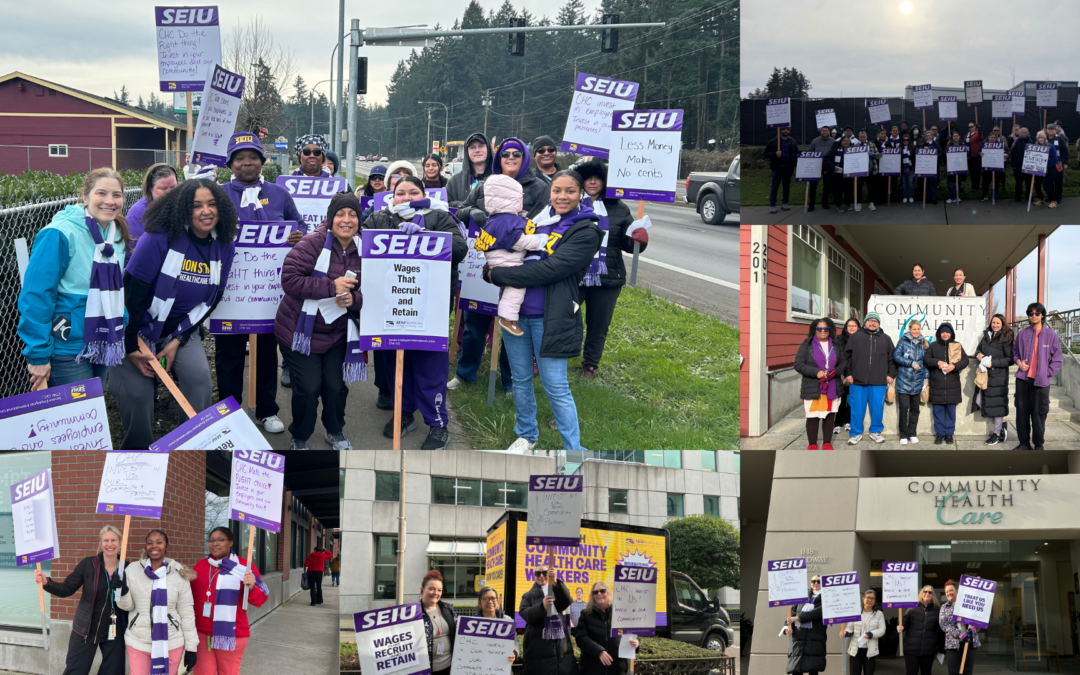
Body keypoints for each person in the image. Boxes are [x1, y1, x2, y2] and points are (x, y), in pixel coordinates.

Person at [110, 180, 235, 448]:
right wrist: (131, 347)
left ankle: (190, 447)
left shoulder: (224, 245)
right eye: (196, 205)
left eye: (212, 204)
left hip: (178, 331)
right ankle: (137, 452)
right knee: (140, 394)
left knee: (199, 380)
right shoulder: (157, 238)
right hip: (134, 329)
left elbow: (212, 300)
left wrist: (177, 341)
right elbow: (132, 296)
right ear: (182, 209)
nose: (206, 211)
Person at [484, 170, 601, 452]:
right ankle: (527, 434)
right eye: (557, 190)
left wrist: (497, 275)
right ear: (550, 192)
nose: (562, 196)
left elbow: (552, 269)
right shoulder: (535, 221)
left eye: (570, 191)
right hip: (515, 315)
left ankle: (573, 448)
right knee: (521, 380)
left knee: (556, 387)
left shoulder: (586, 230)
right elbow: (497, 244)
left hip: (552, 318)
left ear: (581, 194)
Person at [364, 175, 468, 449]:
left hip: (427, 310)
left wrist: (428, 237)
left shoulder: (441, 217)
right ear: (391, 196)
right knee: (395, 364)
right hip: (388, 309)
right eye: (400, 193)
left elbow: (460, 248)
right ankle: (404, 414)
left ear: (424, 195)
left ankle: (437, 423)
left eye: (413, 192)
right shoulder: (378, 219)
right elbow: (357, 246)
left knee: (428, 366)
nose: (406, 198)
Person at [218, 132, 305, 432]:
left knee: (267, 352)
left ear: (262, 161)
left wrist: (298, 237)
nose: (247, 163)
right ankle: (230, 415)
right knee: (228, 356)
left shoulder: (279, 194)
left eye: (253, 157)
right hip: (230, 293)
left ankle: (266, 410)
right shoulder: (218, 194)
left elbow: (301, 225)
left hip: (268, 292)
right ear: (231, 163)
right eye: (240, 158)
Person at [19, 168, 131, 390]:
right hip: (67, 346)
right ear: (85, 196)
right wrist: (38, 354)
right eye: (101, 193)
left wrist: (122, 321)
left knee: (93, 409)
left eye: (116, 195)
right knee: (74, 417)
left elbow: (116, 287)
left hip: (105, 338)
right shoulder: (59, 233)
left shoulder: (115, 232)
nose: (109, 201)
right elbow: (36, 295)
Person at [275, 192, 364, 450]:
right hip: (300, 333)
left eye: (352, 215)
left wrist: (354, 301)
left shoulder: (366, 248)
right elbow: (289, 280)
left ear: (360, 219)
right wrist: (331, 287)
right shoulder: (313, 243)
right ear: (330, 218)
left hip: (338, 334)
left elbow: (375, 289)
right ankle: (300, 435)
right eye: (340, 214)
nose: (346, 220)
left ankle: (335, 431)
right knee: (308, 388)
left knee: (335, 387)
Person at [575, 158, 649, 375]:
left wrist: (639, 240)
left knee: (598, 324)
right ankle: (559, 355)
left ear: (605, 181)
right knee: (566, 316)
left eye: (598, 178)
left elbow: (627, 244)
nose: (592, 182)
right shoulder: (570, 203)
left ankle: (590, 364)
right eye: (588, 177)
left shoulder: (619, 208)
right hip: (575, 274)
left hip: (607, 276)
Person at [35, 526, 127, 675]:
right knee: (76, 670)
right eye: (106, 540)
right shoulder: (89, 564)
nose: (110, 544)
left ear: (121, 543)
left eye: (114, 540)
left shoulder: (127, 569)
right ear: (101, 543)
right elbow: (67, 588)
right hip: (85, 629)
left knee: (113, 671)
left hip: (113, 631)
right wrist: (47, 583)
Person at [475, 173, 551, 336]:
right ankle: (508, 317)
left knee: (509, 284)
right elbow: (517, 242)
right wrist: (538, 241)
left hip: (495, 257)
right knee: (517, 286)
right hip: (506, 257)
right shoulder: (507, 221)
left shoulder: (496, 218)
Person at [115, 530, 198, 675]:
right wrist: (121, 592)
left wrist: (191, 648)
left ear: (167, 546)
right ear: (145, 547)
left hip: (171, 642)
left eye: (159, 542)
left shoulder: (178, 573)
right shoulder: (132, 569)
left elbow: (187, 612)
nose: (154, 546)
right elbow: (127, 606)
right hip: (139, 641)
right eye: (149, 543)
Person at [190, 527, 269, 675]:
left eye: (220, 540)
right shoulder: (200, 566)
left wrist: (252, 587)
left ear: (231, 542)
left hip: (232, 634)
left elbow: (261, 599)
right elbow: (189, 597)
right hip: (201, 633)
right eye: (212, 540)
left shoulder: (245, 567)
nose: (215, 544)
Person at [1013, 302, 1062, 450]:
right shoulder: (1022, 334)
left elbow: (1057, 358)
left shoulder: (1050, 335)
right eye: (1031, 313)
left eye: (1037, 313)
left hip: (1041, 382)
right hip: (1023, 379)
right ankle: (1024, 443)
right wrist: (1019, 363)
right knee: (1022, 411)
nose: (1034, 316)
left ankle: (1039, 444)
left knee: (1039, 413)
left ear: (1042, 315)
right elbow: (1015, 353)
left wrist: (1047, 373)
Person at [844, 312, 896, 445]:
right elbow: (846, 357)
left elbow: (892, 359)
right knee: (856, 408)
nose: (872, 323)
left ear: (879, 323)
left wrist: (891, 374)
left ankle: (876, 431)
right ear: (865, 322)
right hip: (857, 380)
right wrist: (848, 374)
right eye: (870, 320)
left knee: (877, 408)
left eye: (875, 321)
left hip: (879, 380)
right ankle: (855, 433)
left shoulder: (886, 338)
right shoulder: (856, 336)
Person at [794, 318, 846, 450]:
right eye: (819, 329)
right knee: (813, 417)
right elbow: (798, 364)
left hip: (832, 385)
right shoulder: (807, 344)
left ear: (830, 330)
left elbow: (843, 363)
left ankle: (827, 443)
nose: (823, 331)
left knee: (829, 415)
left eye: (826, 329)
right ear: (814, 330)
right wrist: (815, 372)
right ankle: (812, 444)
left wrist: (836, 371)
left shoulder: (836, 344)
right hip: (813, 386)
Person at [519, 562, 577, 675]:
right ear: (534, 576)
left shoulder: (556, 590)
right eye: (538, 573)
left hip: (560, 646)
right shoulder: (528, 596)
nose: (541, 576)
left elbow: (566, 601)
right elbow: (526, 614)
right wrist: (542, 607)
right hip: (539, 648)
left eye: (544, 573)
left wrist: (555, 582)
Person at [574, 581, 640, 675]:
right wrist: (599, 652)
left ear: (608, 592)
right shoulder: (586, 614)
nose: (599, 594)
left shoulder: (621, 613)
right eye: (595, 592)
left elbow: (631, 634)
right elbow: (581, 638)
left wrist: (636, 643)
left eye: (602, 591)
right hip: (593, 669)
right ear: (592, 596)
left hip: (617, 669)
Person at [972, 314, 1014, 446]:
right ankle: (1000, 427)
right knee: (979, 401)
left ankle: (996, 434)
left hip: (998, 377)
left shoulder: (1006, 337)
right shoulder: (986, 335)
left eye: (998, 323)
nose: (995, 325)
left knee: (997, 406)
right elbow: (978, 349)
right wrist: (978, 354)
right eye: (993, 322)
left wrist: (993, 363)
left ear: (1002, 324)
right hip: (984, 376)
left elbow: (1010, 360)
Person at [924, 322, 968, 445]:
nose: (945, 334)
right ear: (939, 333)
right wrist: (937, 362)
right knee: (937, 411)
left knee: (950, 411)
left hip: (952, 384)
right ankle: (939, 434)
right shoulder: (933, 346)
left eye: (947, 332)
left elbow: (965, 360)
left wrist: (954, 366)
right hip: (937, 384)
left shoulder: (957, 345)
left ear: (951, 333)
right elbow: (926, 360)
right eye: (943, 332)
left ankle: (949, 434)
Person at [126, 164, 179, 249]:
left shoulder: (181, 206)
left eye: (173, 188)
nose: (170, 193)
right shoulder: (137, 213)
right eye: (163, 189)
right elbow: (133, 248)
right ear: (150, 188)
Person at [893, 319, 928, 445]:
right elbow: (896, 356)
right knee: (904, 408)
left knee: (915, 409)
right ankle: (903, 434)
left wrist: (926, 379)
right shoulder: (903, 341)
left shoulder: (923, 342)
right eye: (914, 329)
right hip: (904, 381)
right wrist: (911, 363)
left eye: (918, 329)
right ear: (910, 329)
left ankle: (912, 433)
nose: (916, 331)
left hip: (918, 382)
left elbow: (926, 363)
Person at [896, 586, 944, 675]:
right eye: (925, 591)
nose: (927, 594)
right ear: (921, 593)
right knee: (911, 673)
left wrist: (941, 647)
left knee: (926, 673)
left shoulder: (938, 610)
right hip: (911, 648)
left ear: (933, 595)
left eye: (930, 592)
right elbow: (905, 621)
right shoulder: (912, 607)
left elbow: (940, 630)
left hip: (929, 649)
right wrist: (901, 626)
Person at [784, 575, 826, 675]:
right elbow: (792, 613)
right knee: (796, 668)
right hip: (798, 639)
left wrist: (799, 618)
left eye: (818, 581)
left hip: (815, 639)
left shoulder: (827, 597)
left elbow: (817, 612)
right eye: (813, 581)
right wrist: (787, 627)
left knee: (813, 669)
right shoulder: (801, 595)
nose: (816, 583)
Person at [419, 570, 457, 675]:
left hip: (451, 667)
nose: (436, 593)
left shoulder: (448, 608)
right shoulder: (414, 614)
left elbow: (459, 633)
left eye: (439, 590)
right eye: (431, 589)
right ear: (422, 590)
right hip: (427, 670)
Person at [940, 580, 980, 675]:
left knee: (967, 671)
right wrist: (959, 634)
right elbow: (943, 624)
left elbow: (979, 619)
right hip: (953, 644)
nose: (949, 593)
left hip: (970, 643)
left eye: (951, 590)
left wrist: (974, 628)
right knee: (953, 672)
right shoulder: (944, 607)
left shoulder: (969, 603)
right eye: (947, 592)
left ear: (957, 590)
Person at [841, 590, 885, 675]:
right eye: (868, 597)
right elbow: (850, 628)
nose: (870, 600)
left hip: (870, 650)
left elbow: (882, 630)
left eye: (872, 598)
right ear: (863, 599)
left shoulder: (879, 614)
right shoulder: (855, 612)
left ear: (875, 601)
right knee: (854, 673)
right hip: (855, 649)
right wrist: (845, 633)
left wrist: (870, 634)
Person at [478, 586, 521, 664]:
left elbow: (515, 642)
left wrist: (514, 653)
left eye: (493, 598)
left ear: (497, 601)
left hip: (501, 667)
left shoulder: (506, 620)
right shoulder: (472, 623)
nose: (490, 601)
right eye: (485, 598)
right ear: (479, 602)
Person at [447, 132, 492, 204]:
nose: (477, 150)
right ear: (467, 151)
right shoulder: (454, 182)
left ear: (488, 148)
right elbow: (446, 207)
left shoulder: (500, 178)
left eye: (481, 146)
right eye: (472, 147)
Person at [834, 318, 861, 432]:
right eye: (849, 325)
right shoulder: (839, 340)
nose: (851, 328)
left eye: (854, 325)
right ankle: (838, 422)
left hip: (856, 373)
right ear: (846, 327)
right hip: (841, 373)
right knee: (841, 398)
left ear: (858, 327)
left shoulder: (861, 339)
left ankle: (848, 421)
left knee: (852, 399)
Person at [765, 126, 798, 213]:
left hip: (788, 168)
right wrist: (775, 154)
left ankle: (785, 203)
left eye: (787, 129)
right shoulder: (773, 142)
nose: (786, 131)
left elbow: (795, 155)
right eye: (784, 129)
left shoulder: (793, 142)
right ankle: (772, 205)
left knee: (786, 186)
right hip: (776, 168)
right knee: (774, 187)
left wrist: (795, 166)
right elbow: (765, 153)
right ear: (780, 130)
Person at [807, 126, 835, 211]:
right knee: (813, 186)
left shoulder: (833, 141)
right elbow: (809, 152)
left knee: (826, 186)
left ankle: (824, 203)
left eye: (826, 131)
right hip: (816, 166)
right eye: (823, 131)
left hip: (828, 166)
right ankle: (811, 205)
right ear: (820, 132)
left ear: (829, 132)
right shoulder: (815, 141)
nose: (825, 132)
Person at [1031, 131, 1061, 207]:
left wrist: (1045, 165)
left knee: (1046, 185)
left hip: (1050, 168)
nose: (1040, 139)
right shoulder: (1035, 147)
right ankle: (1041, 199)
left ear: (1045, 138)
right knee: (1037, 184)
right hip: (1040, 169)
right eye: (1039, 138)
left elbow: (1055, 159)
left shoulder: (1051, 146)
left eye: (1042, 137)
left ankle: (1053, 201)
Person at [831, 136, 855, 214]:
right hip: (838, 174)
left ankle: (848, 204)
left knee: (848, 190)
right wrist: (833, 166)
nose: (846, 142)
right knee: (838, 191)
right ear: (841, 142)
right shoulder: (835, 149)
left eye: (847, 141)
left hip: (849, 173)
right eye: (844, 141)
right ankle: (838, 206)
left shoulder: (853, 150)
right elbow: (827, 158)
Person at [1010, 127, 1032, 202]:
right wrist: (1013, 164)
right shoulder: (1016, 141)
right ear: (1019, 133)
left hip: (1028, 165)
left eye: (1025, 132)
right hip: (1018, 165)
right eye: (1022, 132)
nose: (1023, 134)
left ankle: (1029, 196)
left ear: (1027, 133)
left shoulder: (1030, 141)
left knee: (1028, 182)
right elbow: (1012, 153)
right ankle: (1018, 196)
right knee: (1019, 182)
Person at [945, 131, 967, 204]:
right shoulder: (949, 145)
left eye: (957, 136)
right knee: (951, 183)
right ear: (952, 137)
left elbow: (967, 154)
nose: (955, 137)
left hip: (960, 166)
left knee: (959, 182)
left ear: (959, 137)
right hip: (951, 166)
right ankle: (951, 197)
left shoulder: (963, 145)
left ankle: (957, 196)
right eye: (954, 136)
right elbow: (945, 154)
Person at [920, 133, 939, 205]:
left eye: (930, 135)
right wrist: (923, 149)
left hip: (934, 166)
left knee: (933, 184)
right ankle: (927, 198)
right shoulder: (923, 145)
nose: (928, 137)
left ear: (932, 136)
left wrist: (934, 153)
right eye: (927, 136)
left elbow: (940, 152)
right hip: (926, 167)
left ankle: (934, 198)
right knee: (926, 183)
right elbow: (919, 153)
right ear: (925, 137)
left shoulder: (936, 144)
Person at [965, 122, 983, 193]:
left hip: (975, 155)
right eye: (969, 127)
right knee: (971, 171)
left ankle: (977, 186)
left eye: (972, 126)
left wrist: (979, 129)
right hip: (969, 156)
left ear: (975, 127)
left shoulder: (977, 133)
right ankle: (973, 185)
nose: (970, 128)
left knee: (977, 171)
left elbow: (981, 137)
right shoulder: (967, 134)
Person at [900, 134, 916, 203]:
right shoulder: (899, 148)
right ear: (902, 141)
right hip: (902, 168)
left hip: (911, 168)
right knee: (904, 183)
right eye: (904, 140)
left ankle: (910, 195)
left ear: (909, 140)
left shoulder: (913, 148)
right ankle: (905, 196)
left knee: (910, 182)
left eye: (907, 140)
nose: (905, 141)